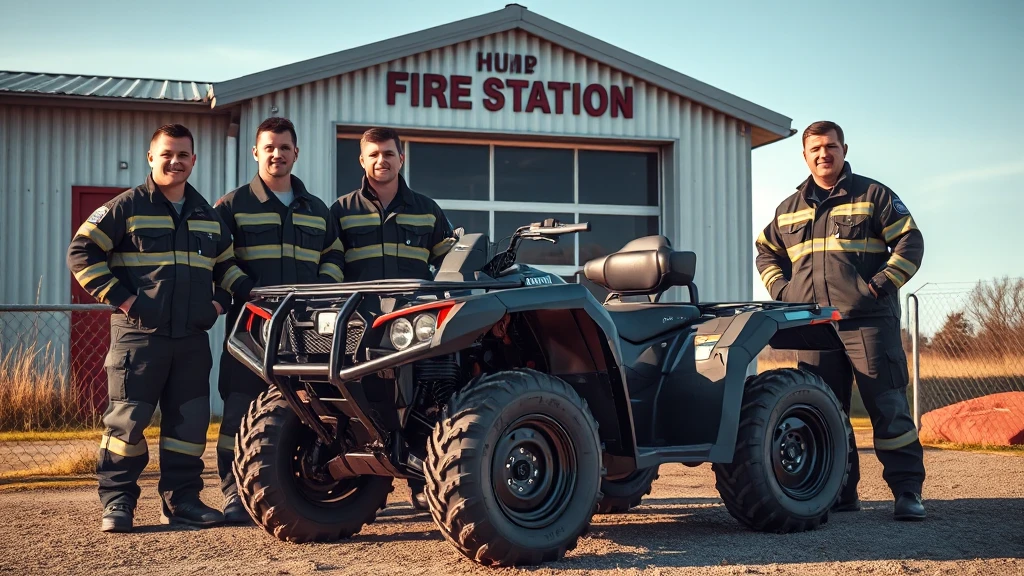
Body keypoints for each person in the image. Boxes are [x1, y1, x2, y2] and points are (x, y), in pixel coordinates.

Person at [67, 124, 252, 533]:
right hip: (139, 337)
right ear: (151, 157)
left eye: (183, 154)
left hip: (190, 340)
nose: (175, 161)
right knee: (127, 422)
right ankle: (117, 502)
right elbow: (81, 253)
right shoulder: (125, 207)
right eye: (167, 154)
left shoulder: (207, 215)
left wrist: (220, 304)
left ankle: (182, 501)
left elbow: (228, 268)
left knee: (188, 426)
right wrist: (127, 300)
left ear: (194, 160)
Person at [755, 120, 927, 521]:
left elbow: (910, 241)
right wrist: (783, 293)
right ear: (804, 155)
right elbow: (765, 252)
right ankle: (839, 493)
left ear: (844, 149)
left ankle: (907, 492)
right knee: (824, 412)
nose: (823, 154)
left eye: (830, 146)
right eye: (815, 149)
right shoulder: (788, 209)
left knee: (888, 407)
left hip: (866, 322)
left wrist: (878, 285)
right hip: (812, 327)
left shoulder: (873, 195)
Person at [212, 117, 345, 523]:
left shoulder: (317, 210)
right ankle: (235, 493)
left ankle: (299, 487)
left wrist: (321, 291)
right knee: (239, 411)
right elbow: (217, 258)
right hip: (251, 329)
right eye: (269, 147)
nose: (277, 154)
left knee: (308, 410)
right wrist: (247, 289)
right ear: (256, 152)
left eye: (284, 147)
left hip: (306, 334)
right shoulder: (232, 205)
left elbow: (335, 256)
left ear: (296, 153)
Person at [330, 126, 456, 509]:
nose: (381, 161)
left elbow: (451, 264)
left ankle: (424, 481)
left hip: (414, 327)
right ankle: (370, 484)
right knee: (368, 405)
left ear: (401, 158)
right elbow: (331, 267)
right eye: (373, 154)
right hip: (361, 329)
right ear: (362, 160)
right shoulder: (340, 211)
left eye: (388, 154)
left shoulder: (426, 209)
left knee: (424, 404)